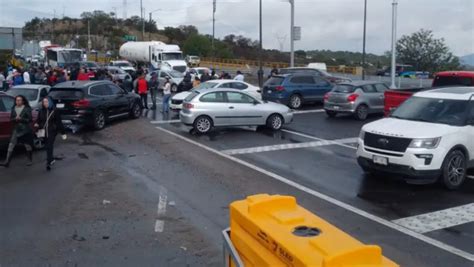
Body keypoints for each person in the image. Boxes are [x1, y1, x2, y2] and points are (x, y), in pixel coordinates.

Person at [0, 95, 34, 168]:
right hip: (16, 129)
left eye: (19, 100)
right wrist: (15, 119)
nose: (18, 102)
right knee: (11, 145)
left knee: (27, 145)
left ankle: (29, 160)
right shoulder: (13, 108)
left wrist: (21, 119)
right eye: (17, 100)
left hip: (25, 130)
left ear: (23, 101)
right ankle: (7, 161)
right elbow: (11, 119)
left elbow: (30, 119)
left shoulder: (27, 109)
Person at [35, 97, 66, 171]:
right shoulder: (41, 111)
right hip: (43, 132)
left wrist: (63, 133)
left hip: (52, 131)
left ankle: (48, 163)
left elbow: (59, 122)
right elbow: (38, 120)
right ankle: (51, 159)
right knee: (47, 146)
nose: (45, 103)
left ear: (50, 102)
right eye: (44, 102)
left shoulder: (55, 111)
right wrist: (36, 124)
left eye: (47, 102)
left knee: (49, 145)